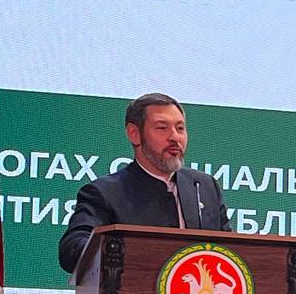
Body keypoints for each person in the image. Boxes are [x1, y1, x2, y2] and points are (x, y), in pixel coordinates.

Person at [58, 93, 231, 273]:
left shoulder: (204, 187)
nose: (175, 137)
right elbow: (72, 249)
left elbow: (231, 251)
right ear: (134, 134)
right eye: (162, 128)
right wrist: (118, 253)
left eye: (180, 128)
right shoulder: (105, 193)